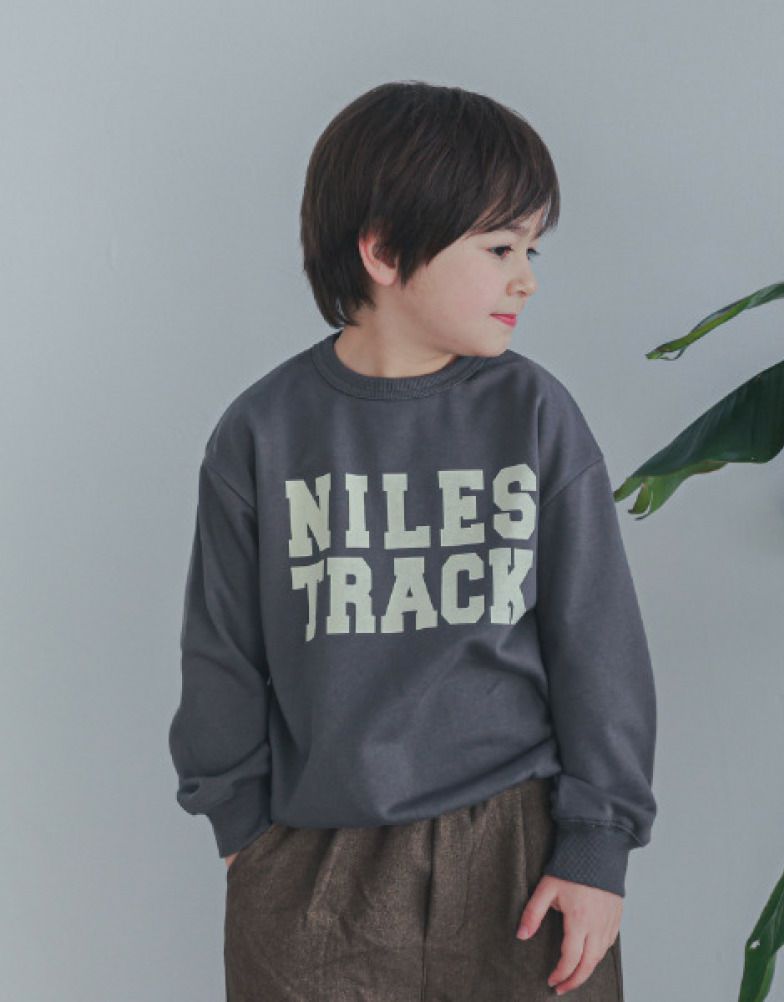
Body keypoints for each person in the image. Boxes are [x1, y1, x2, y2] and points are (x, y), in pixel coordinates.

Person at [168, 80, 658, 1001]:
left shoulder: (535, 414)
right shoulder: (263, 433)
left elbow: (599, 642)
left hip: (522, 855)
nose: (526, 277)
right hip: (314, 862)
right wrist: (245, 838)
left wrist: (598, 845)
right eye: (500, 247)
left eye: (532, 249)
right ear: (386, 249)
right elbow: (222, 651)